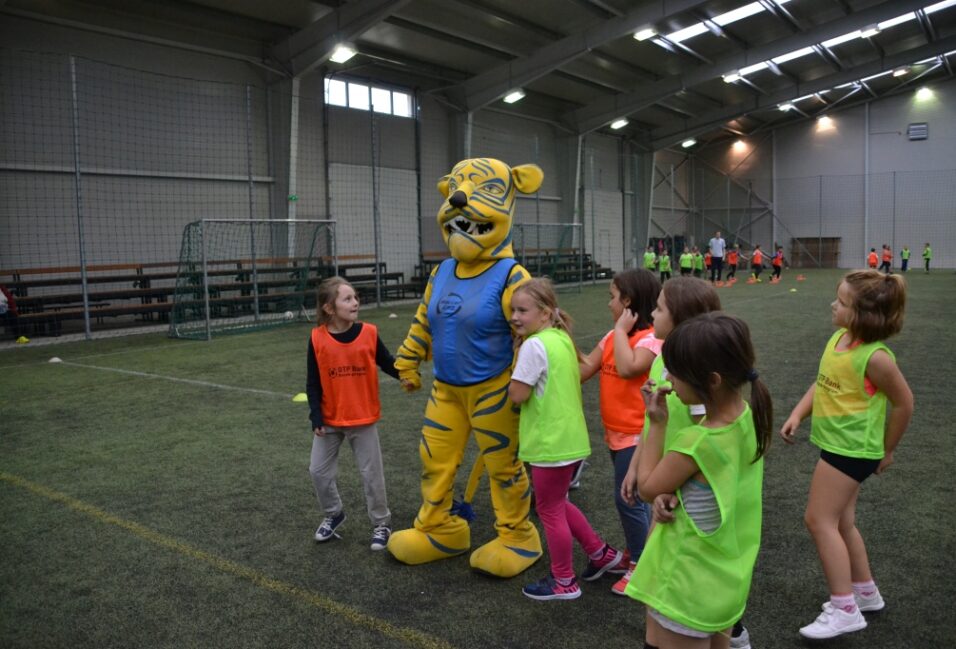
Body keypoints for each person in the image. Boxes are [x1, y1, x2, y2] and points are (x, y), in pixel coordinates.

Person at [620, 278, 753, 649]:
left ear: (708, 379)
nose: (669, 381)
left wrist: (660, 428)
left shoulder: (699, 440)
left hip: (685, 577)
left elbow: (650, 488)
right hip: (724, 567)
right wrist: (683, 486)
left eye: (675, 374)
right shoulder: (747, 416)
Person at [780, 270, 913, 640]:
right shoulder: (839, 339)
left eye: (841, 302)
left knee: (818, 520)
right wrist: (797, 413)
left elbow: (904, 404)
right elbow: (822, 381)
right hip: (838, 446)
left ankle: (844, 608)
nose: (833, 305)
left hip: (851, 452)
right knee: (841, 523)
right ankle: (865, 593)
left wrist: (887, 449)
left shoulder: (877, 358)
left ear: (862, 315)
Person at [509, 278, 624, 601]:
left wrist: (512, 375)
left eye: (523, 310)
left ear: (545, 313)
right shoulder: (560, 337)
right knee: (558, 503)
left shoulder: (534, 345)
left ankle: (564, 581)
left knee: (548, 510)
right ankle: (601, 554)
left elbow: (517, 394)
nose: (515, 317)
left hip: (550, 444)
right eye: (512, 311)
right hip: (570, 442)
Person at [580, 269, 662, 596]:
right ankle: (639, 547)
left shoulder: (652, 338)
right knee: (635, 499)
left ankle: (642, 565)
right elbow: (583, 370)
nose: (608, 303)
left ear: (627, 301)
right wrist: (556, 338)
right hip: (615, 434)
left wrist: (618, 331)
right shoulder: (612, 336)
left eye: (612, 297)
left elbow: (630, 367)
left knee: (627, 498)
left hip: (638, 437)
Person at [306, 277, 401, 550]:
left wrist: (406, 375)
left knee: (372, 474)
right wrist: (316, 416)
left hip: (362, 418)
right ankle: (334, 513)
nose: (355, 302)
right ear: (329, 308)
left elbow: (388, 364)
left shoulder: (369, 332)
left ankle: (381, 523)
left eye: (355, 297)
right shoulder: (317, 338)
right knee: (318, 471)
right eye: (347, 299)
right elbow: (313, 382)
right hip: (329, 419)